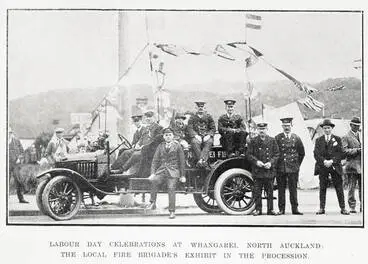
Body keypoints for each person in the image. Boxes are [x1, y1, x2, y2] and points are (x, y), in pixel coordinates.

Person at [147, 128, 186, 219]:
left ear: (173, 136)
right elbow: (155, 161)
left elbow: (182, 161)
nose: (168, 137)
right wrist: (152, 173)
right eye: (166, 135)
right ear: (164, 137)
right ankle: (152, 202)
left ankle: (172, 211)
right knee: (154, 180)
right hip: (162, 170)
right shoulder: (160, 146)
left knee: (171, 188)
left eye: (170, 135)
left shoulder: (178, 146)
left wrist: (182, 175)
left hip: (173, 172)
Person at [314, 119, 349, 215]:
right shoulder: (318, 140)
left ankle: (343, 208)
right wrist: (324, 161)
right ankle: (322, 208)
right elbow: (316, 154)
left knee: (339, 187)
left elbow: (341, 153)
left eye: (328, 128)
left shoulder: (337, 139)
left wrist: (332, 161)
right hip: (323, 167)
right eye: (325, 128)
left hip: (335, 167)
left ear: (332, 128)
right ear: (322, 129)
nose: (326, 130)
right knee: (322, 188)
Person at [246, 122, 279, 216]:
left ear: (266, 130)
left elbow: (277, 154)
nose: (262, 131)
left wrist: (270, 163)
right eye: (260, 129)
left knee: (270, 192)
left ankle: (270, 210)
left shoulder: (272, 140)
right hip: (258, 170)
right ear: (257, 130)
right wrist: (256, 162)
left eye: (263, 129)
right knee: (257, 192)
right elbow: (248, 154)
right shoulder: (253, 141)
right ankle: (258, 209)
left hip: (269, 170)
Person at [275, 117, 305, 215]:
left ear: (291, 126)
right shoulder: (278, 138)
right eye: (284, 126)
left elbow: (301, 153)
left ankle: (295, 209)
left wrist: (297, 165)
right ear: (282, 126)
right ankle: (281, 209)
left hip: (293, 168)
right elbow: (275, 153)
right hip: (281, 167)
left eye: (288, 126)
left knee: (293, 189)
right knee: (281, 190)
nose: (286, 128)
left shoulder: (296, 138)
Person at [342, 117, 362, 213]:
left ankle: (363, 205)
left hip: (362, 165)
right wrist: (357, 150)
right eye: (355, 126)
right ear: (351, 125)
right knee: (352, 187)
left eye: (358, 126)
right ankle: (352, 206)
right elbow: (344, 151)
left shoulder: (362, 135)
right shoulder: (346, 137)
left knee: (363, 187)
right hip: (352, 165)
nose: (357, 127)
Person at [187, 101, 216, 167]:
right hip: (197, 137)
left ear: (204, 108)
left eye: (202, 107)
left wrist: (208, 135)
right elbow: (190, 128)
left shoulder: (209, 117)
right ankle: (203, 161)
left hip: (207, 136)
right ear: (196, 108)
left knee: (209, 142)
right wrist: (196, 135)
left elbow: (213, 128)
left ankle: (200, 160)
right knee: (194, 142)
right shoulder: (192, 118)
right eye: (199, 107)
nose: (200, 108)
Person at [8, 127, 28, 203]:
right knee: (5, 181)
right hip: (6, 164)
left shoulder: (16, 141)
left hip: (15, 164)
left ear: (11, 133)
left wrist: (19, 158)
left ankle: (21, 198)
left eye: (10, 133)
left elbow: (22, 151)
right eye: (7, 132)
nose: (8, 134)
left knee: (18, 180)